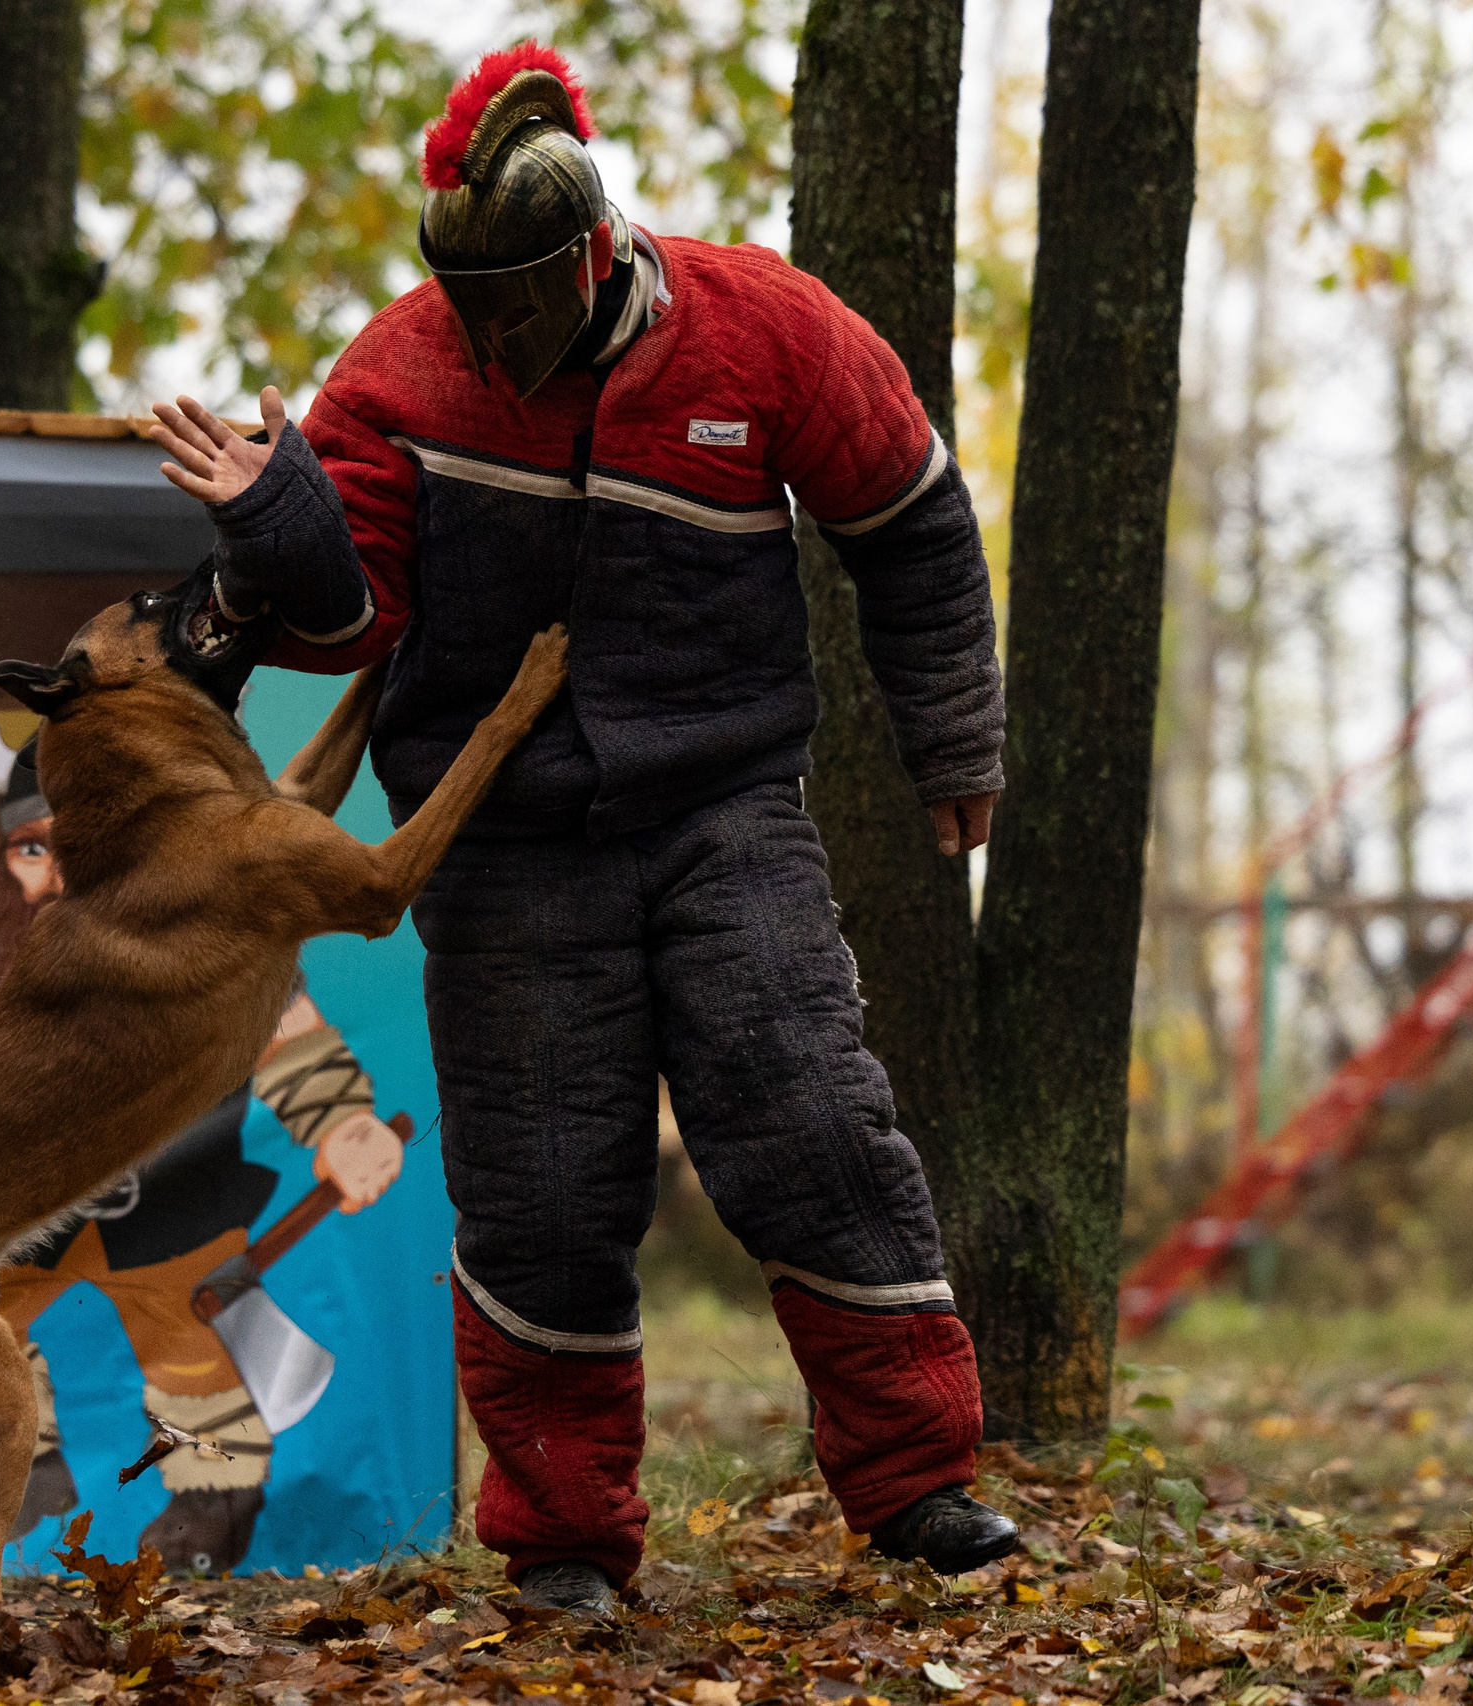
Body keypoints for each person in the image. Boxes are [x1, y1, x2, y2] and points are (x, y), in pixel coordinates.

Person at [146, 43, 1019, 1612]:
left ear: (592, 251)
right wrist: (272, 518)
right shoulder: (397, 376)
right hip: (506, 836)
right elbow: (352, 618)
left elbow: (912, 515)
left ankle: (920, 1479)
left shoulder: (763, 330)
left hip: (726, 804)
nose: (494, 334)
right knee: (544, 1184)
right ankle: (559, 1538)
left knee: (809, 1114)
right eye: (469, 303)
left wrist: (953, 731)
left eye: (519, 302)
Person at [0, 741, 406, 1574]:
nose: (59, 877)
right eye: (34, 849)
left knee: (191, 1357)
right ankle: (19, 1464)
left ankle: (211, 1498)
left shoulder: (221, 951)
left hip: (176, 1212)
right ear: (7, 861)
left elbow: (294, 1049)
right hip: (28, 1220)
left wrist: (344, 1126)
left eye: (82, 851)